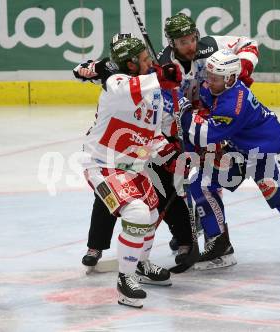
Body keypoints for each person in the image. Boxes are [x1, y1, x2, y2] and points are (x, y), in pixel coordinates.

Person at [75, 13, 260, 267]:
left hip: (196, 125)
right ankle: (105, 246)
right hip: (150, 139)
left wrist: (242, 68)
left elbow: (248, 44)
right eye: (182, 41)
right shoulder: (140, 73)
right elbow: (111, 77)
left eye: (191, 38)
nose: (190, 45)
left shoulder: (205, 48)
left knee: (195, 182)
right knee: (164, 187)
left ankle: (203, 239)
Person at [176, 49, 280, 283]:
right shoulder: (216, 87)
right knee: (201, 182)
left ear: (229, 78)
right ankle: (220, 246)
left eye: (214, 78)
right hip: (239, 151)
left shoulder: (233, 105)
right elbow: (204, 104)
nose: (208, 82)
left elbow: (204, 134)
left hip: (269, 154)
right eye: (209, 76)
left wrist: (182, 108)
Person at [74, 33, 193, 272]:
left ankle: (151, 258)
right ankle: (114, 264)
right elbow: (117, 84)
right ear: (130, 63)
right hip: (105, 161)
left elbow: (149, 130)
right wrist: (159, 77)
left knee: (155, 205)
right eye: (145, 59)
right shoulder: (116, 81)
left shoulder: (150, 87)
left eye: (150, 58)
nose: (149, 62)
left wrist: (170, 155)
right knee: (127, 208)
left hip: (135, 157)